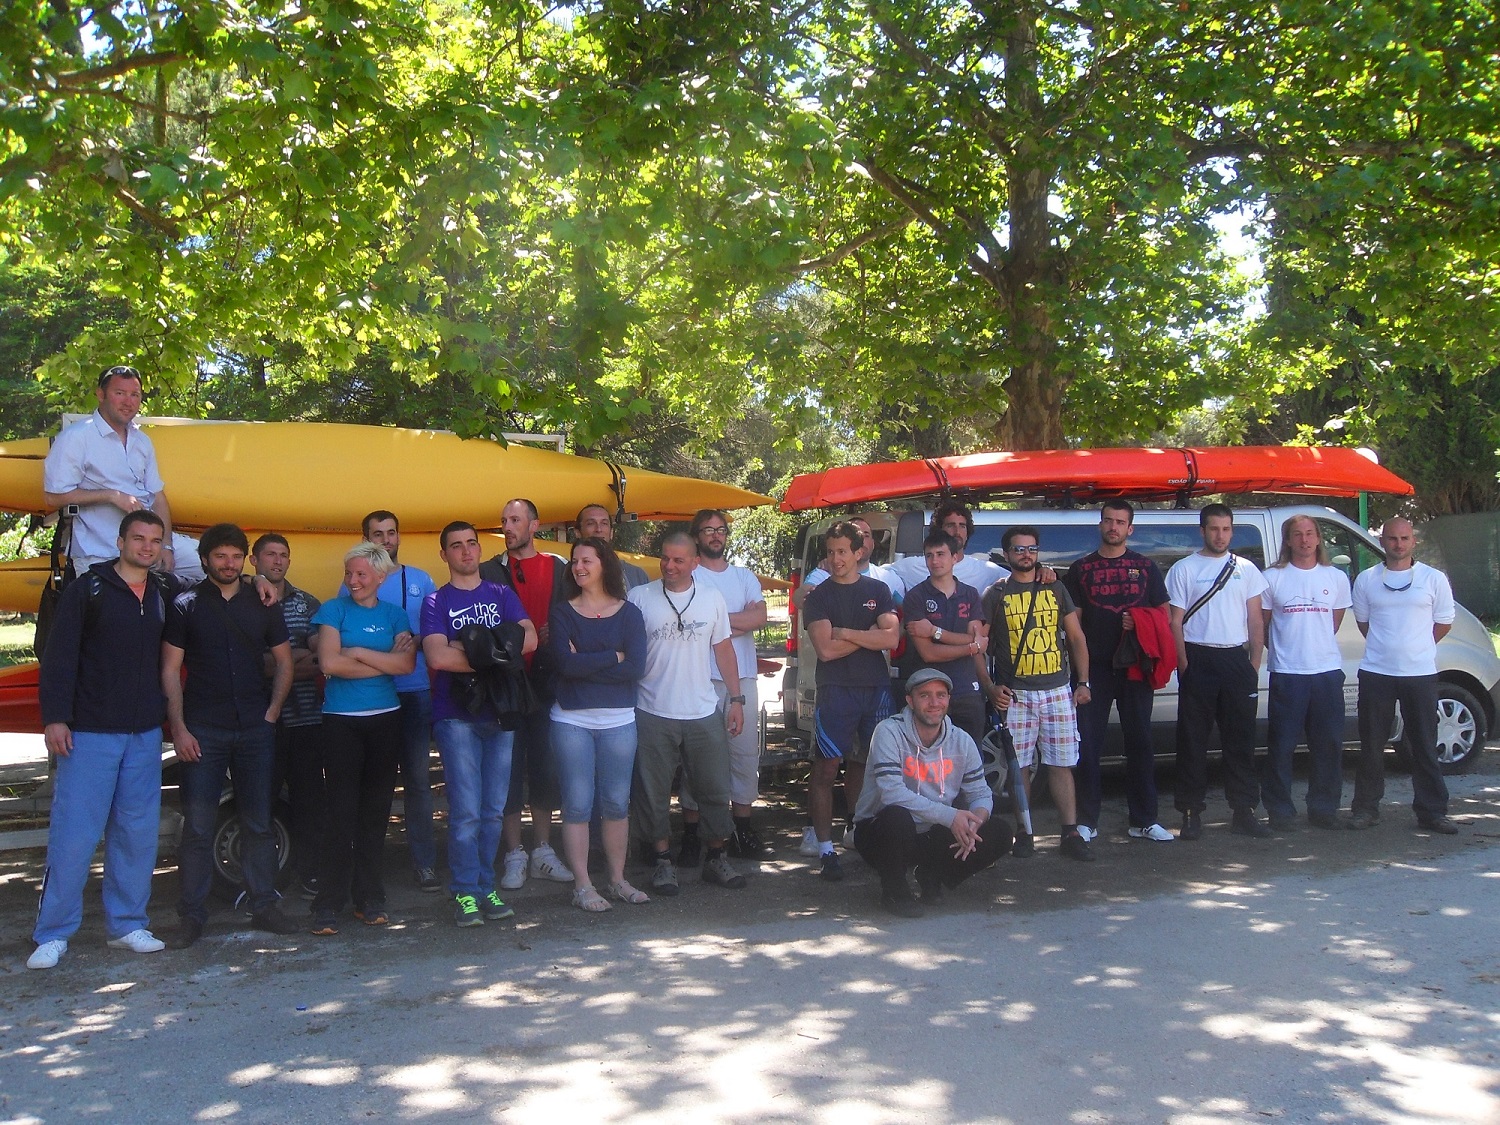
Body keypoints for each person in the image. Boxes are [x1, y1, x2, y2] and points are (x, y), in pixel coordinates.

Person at [28, 511, 174, 970]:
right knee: (74, 837)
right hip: (90, 732)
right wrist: (55, 718)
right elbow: (59, 658)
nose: (147, 547)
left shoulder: (162, 593)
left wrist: (258, 584)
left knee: (136, 835)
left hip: (144, 733)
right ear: (121, 540)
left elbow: (216, 594)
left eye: (155, 540)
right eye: (139, 538)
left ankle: (128, 924)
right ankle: (52, 934)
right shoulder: (86, 590)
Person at [161, 523, 298, 945]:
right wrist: (179, 729)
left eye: (236, 556)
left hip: (255, 728)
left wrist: (272, 713)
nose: (228, 563)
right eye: (220, 556)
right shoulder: (185, 605)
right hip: (203, 729)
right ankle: (192, 915)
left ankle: (264, 905)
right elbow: (169, 670)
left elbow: (285, 662)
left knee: (258, 822)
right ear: (205, 560)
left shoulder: (264, 602)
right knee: (199, 827)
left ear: (245, 560)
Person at [421, 521, 537, 927]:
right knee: (467, 812)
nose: (467, 552)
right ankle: (466, 893)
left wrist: (467, 644)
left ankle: (487, 887)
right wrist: (498, 646)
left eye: (472, 544)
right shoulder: (436, 602)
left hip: (501, 713)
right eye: (457, 546)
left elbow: (531, 639)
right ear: (445, 555)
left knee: (493, 810)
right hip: (456, 716)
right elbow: (437, 657)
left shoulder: (502, 593)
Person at [628, 532, 748, 896]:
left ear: (695, 562)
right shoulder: (639, 598)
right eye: (665, 558)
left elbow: (724, 649)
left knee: (714, 786)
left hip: (702, 710)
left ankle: (716, 857)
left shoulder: (711, 598)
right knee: (653, 792)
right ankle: (662, 862)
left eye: (679, 560)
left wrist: (737, 699)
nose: (670, 565)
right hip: (652, 710)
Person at [309, 542, 417, 934]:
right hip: (341, 722)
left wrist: (356, 651)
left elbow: (406, 664)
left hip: (385, 720)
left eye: (361, 575)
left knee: (375, 813)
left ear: (379, 578)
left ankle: (370, 898)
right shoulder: (332, 610)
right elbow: (329, 663)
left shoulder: (395, 613)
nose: (353, 581)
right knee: (340, 813)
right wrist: (380, 659)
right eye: (348, 573)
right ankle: (328, 904)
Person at [853, 669, 1012, 917]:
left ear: (949, 699)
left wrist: (975, 822)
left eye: (940, 695)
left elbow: (980, 792)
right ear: (910, 700)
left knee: (1000, 833)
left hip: (931, 831)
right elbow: (892, 794)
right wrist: (951, 816)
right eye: (925, 695)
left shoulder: (962, 740)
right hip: (882, 830)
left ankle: (931, 874)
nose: (934, 702)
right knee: (896, 816)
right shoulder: (888, 732)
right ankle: (894, 892)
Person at [980, 526, 1094, 861]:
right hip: (1016, 695)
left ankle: (1070, 832)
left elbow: (1075, 637)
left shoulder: (1055, 586)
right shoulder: (995, 594)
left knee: (1062, 764)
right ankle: (1024, 832)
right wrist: (990, 687)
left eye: (1031, 548)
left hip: (1057, 690)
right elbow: (978, 646)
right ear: (1006, 554)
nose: (1026, 554)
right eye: (1018, 549)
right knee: (1020, 768)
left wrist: (1083, 682)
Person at [548, 537, 651, 911]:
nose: (578, 567)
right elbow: (564, 665)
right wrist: (613, 656)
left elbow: (635, 668)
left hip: (619, 720)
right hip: (571, 720)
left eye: (586, 560)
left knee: (616, 803)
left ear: (604, 564)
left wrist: (587, 662)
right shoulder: (562, 613)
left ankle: (617, 880)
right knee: (576, 804)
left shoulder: (630, 613)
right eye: (574, 561)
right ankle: (582, 885)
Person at [1064, 500, 1174, 842]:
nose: (1114, 527)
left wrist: (1140, 621)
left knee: (1140, 741)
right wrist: (1079, 675)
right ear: (1100, 525)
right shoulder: (1080, 569)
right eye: (1108, 521)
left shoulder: (1146, 568)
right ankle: (1086, 820)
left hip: (1135, 666)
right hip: (1093, 667)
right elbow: (1073, 625)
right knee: (1089, 746)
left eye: (1121, 522)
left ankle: (1144, 820)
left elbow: (1165, 616)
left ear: (1130, 528)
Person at [480, 498, 574, 889]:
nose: (507, 526)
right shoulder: (487, 570)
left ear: (535, 525)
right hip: (505, 685)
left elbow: (576, 611)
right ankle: (514, 854)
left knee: (544, 768)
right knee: (507, 770)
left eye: (515, 520)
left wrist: (560, 631)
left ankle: (543, 852)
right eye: (504, 520)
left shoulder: (558, 567)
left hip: (548, 683)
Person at [801, 520, 900, 881]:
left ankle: (860, 832)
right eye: (830, 551)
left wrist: (847, 632)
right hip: (836, 691)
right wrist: (868, 635)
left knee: (870, 766)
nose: (836, 558)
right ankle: (825, 848)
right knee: (827, 769)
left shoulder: (878, 588)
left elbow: (891, 639)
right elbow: (826, 651)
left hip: (875, 690)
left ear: (859, 552)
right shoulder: (820, 596)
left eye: (842, 550)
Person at [1166, 503, 1269, 840]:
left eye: (1226, 529)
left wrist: (1253, 664)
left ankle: (1244, 810)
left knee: (1241, 740)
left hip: (1236, 661)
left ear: (1232, 530)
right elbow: (1175, 621)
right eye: (1214, 529)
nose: (1220, 535)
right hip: (1198, 659)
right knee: (1193, 741)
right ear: (1202, 530)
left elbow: (1255, 618)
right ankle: (1191, 813)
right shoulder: (1184, 569)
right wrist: (1184, 665)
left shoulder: (1247, 568)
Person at [1349, 518, 1459, 834]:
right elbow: (1364, 624)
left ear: (1414, 541)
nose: (1399, 544)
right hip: (1377, 673)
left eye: (1404, 538)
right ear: (1382, 542)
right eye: (1392, 539)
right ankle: (1365, 809)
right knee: (1371, 745)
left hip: (1420, 674)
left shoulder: (1433, 579)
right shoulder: (1367, 580)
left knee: (1424, 744)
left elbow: (1444, 623)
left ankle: (1433, 812)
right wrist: (1390, 648)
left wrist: (1417, 647)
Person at [355, 511, 440, 893]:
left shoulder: (421, 579)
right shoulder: (355, 580)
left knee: (419, 783)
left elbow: (438, 631)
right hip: (372, 695)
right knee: (374, 782)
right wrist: (386, 648)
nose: (386, 540)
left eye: (391, 533)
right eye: (378, 534)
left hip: (416, 692)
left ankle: (424, 862)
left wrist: (416, 640)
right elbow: (344, 630)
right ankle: (370, 865)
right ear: (367, 539)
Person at [682, 509, 773, 860]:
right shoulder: (690, 575)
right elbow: (689, 619)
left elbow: (760, 617)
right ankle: (692, 833)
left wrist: (715, 621)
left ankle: (742, 830)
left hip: (743, 678)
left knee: (744, 754)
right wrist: (736, 623)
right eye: (708, 530)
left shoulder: (743, 576)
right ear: (697, 536)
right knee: (697, 758)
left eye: (721, 530)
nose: (715, 536)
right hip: (700, 678)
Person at [1261, 516, 1352, 832]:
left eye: (1310, 533)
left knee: (1328, 745)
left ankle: (1324, 809)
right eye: (1297, 534)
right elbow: (1262, 625)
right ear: (1287, 540)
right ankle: (1280, 811)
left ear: (1318, 539)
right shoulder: (1272, 578)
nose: (1304, 540)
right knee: (1282, 746)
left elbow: (1334, 621)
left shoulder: (1335, 577)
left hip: (1326, 673)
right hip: (1288, 673)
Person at [42, 365, 175, 574]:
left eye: (135, 395)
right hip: (100, 551)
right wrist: (112, 496)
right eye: (119, 393)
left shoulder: (142, 441)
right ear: (101, 395)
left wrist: (167, 546)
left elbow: (158, 497)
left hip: (149, 546)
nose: (128, 401)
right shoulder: (77, 437)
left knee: (209, 563)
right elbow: (53, 497)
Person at [251, 533, 326, 899]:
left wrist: (280, 663)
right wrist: (293, 659)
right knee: (260, 804)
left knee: (310, 803)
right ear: (254, 561)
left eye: (284, 555)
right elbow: (250, 666)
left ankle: (311, 873)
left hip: (308, 720)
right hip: (259, 723)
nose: (277, 562)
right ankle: (262, 883)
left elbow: (322, 660)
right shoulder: (245, 602)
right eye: (270, 555)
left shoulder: (308, 603)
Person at [898, 530, 987, 749]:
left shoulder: (970, 594)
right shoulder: (916, 597)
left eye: (941, 554)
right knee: (929, 760)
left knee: (970, 758)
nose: (935, 560)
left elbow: (977, 638)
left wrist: (936, 632)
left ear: (955, 557)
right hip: (930, 693)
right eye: (929, 555)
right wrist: (971, 647)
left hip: (967, 689)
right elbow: (929, 653)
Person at [889, 502, 1008, 594]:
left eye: (962, 526)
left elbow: (1022, 582)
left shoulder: (988, 571)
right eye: (950, 525)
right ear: (939, 530)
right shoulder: (912, 567)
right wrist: (902, 606)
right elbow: (877, 577)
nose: (957, 532)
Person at [576, 503, 651, 590]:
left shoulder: (636, 575)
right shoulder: (566, 574)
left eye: (604, 523)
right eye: (590, 523)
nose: (598, 529)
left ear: (611, 533)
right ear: (577, 533)